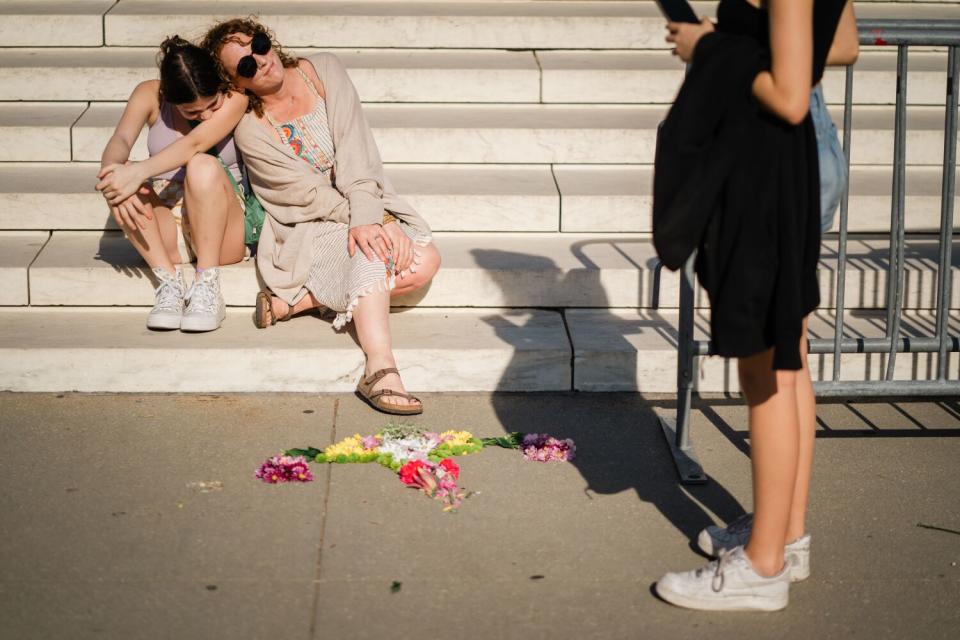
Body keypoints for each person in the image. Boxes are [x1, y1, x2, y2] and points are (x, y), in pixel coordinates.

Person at [653, 0, 858, 611]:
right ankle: (783, 536)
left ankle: (763, 566)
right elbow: (840, 42)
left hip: (765, 170)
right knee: (785, 354)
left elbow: (791, 94)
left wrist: (708, 49)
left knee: (765, 366)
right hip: (780, 166)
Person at [201, 18, 441, 415]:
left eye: (258, 45)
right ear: (235, 84)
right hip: (306, 226)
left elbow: (356, 151)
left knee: (426, 260)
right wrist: (370, 223)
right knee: (373, 251)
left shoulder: (324, 70)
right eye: (244, 66)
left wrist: (375, 215)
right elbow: (306, 197)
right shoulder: (249, 129)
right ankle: (380, 368)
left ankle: (301, 302)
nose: (259, 62)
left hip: (366, 201)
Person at [97, 36, 250, 332]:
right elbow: (121, 140)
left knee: (201, 163)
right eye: (192, 112)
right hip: (169, 223)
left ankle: (207, 284)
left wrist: (138, 172)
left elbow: (197, 142)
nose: (205, 116)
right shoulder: (148, 94)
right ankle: (169, 283)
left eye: (211, 106)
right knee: (120, 174)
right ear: (169, 96)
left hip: (222, 222)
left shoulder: (235, 96)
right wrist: (113, 173)